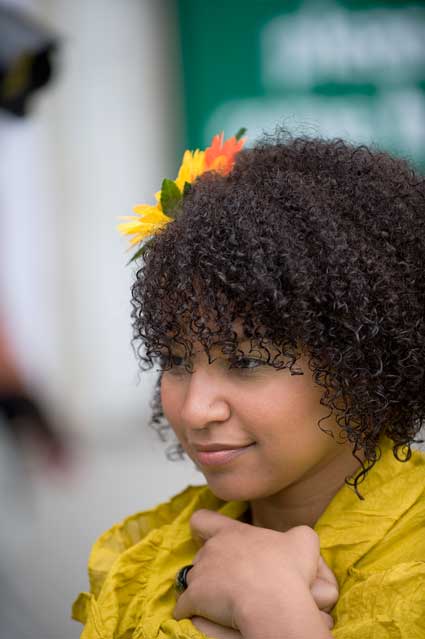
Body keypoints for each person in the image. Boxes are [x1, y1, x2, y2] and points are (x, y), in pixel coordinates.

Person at [73, 129, 425, 638]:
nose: (195, 410)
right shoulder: (143, 558)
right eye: (174, 359)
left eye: (246, 361)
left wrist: (274, 609)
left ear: (363, 358)